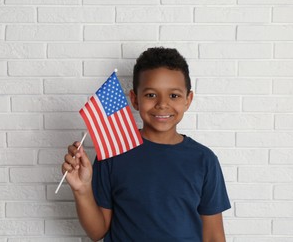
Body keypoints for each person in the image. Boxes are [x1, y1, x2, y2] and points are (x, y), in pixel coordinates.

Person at [62, 47, 231, 242]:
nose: (162, 104)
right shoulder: (113, 152)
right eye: (151, 95)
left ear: (188, 99)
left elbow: (213, 235)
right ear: (134, 99)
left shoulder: (204, 160)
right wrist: (82, 189)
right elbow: (97, 231)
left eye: (174, 95)